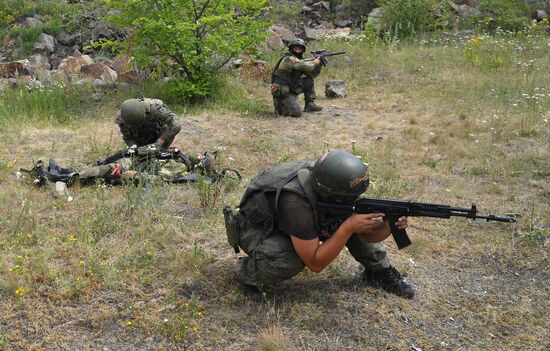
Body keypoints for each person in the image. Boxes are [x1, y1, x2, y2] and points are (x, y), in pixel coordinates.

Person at [225, 150, 415, 299]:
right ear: (333, 193)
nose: (355, 199)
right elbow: (315, 263)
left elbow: (367, 236)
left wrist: (389, 224)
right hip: (259, 229)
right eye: (351, 197)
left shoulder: (333, 186)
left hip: (294, 222)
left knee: (355, 218)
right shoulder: (295, 202)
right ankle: (248, 273)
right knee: (286, 258)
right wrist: (347, 227)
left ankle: (378, 271)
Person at [271, 38, 323, 117]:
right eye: (296, 49)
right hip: (283, 91)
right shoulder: (288, 59)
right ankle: (280, 107)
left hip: (291, 88)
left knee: (308, 80)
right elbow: (307, 67)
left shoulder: (298, 60)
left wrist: (319, 65)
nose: (298, 51)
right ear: (291, 49)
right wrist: (315, 62)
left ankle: (310, 104)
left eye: (300, 49)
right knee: (296, 113)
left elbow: (312, 74)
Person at [115, 97, 183, 151]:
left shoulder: (154, 109)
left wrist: (162, 139)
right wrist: (134, 149)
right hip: (139, 140)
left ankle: (161, 150)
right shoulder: (122, 117)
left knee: (166, 127)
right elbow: (127, 137)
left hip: (157, 137)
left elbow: (176, 124)